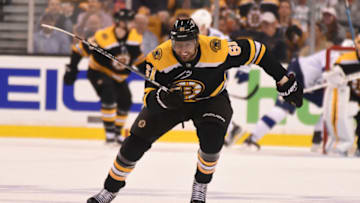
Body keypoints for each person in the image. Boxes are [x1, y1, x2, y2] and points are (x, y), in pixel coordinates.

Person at [86, 18, 303, 203]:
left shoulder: (218, 49)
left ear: (197, 40)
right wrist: (164, 98)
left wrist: (283, 80)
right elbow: (149, 98)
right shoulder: (159, 58)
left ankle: (200, 186)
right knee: (134, 143)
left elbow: (258, 51)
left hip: (211, 100)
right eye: (178, 44)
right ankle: (110, 190)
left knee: (212, 141)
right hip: (173, 104)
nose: (183, 50)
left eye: (188, 43)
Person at [225, 48, 341, 150]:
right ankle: (252, 138)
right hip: (298, 72)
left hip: (312, 85)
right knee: (282, 109)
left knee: (331, 105)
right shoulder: (336, 53)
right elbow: (328, 72)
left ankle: (317, 138)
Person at [64, 9, 144, 144]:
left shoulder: (134, 38)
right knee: (109, 94)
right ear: (119, 23)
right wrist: (72, 68)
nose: (132, 24)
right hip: (98, 72)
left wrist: (151, 72)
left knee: (126, 100)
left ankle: (118, 133)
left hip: (119, 76)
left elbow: (138, 59)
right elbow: (78, 50)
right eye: (128, 21)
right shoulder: (103, 36)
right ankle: (110, 134)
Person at [323, 35, 360, 156]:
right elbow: (332, 78)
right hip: (348, 100)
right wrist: (336, 76)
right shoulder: (344, 60)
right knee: (340, 117)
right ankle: (338, 145)